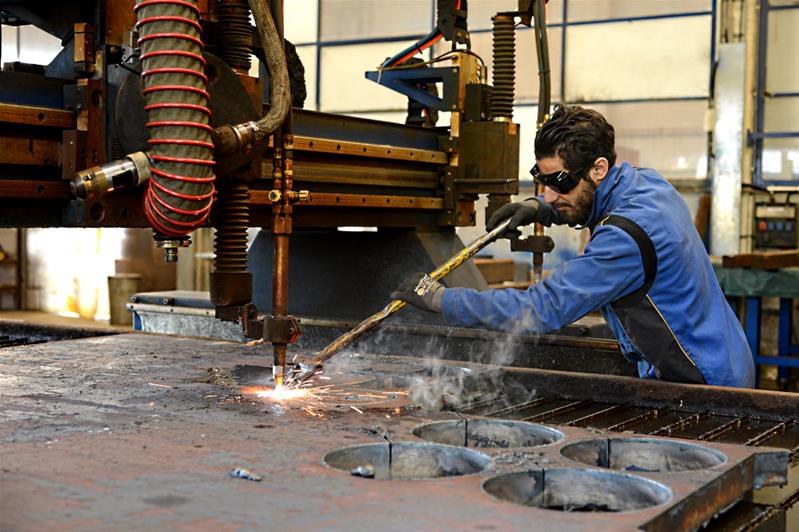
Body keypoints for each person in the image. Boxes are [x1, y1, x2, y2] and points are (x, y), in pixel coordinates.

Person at [393, 104, 754, 388]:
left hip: (702, 381)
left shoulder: (623, 238)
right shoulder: (647, 185)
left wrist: (443, 299)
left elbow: (544, 308)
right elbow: (596, 202)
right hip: (723, 358)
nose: (549, 192)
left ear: (598, 168)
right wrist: (543, 209)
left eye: (559, 182)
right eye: (542, 180)